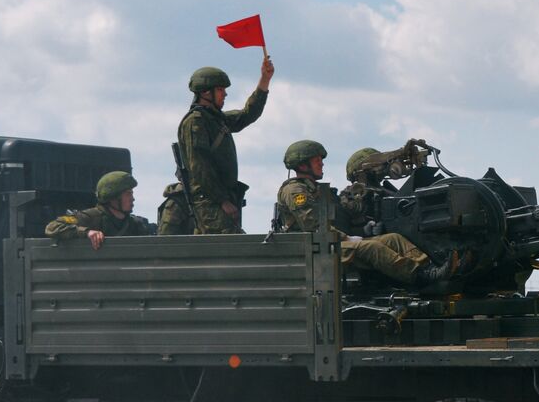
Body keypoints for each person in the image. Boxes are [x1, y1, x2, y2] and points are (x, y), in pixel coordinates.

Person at [275, 140, 461, 287]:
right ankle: (420, 276)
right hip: (313, 250)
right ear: (302, 164)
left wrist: (357, 232)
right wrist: (348, 238)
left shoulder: (316, 189)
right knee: (372, 248)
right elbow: (314, 226)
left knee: (393, 239)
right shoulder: (295, 191)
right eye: (317, 160)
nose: (322, 164)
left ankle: (433, 269)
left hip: (330, 243)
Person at [178, 57, 273, 234]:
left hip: (220, 200)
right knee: (230, 252)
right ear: (206, 93)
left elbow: (246, 115)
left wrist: (264, 80)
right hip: (209, 203)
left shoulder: (214, 119)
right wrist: (222, 201)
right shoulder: (196, 122)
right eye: (220, 90)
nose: (225, 94)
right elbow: (200, 167)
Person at [46, 171, 154, 248]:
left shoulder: (135, 224)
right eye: (128, 194)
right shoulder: (88, 217)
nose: (132, 198)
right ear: (113, 197)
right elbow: (53, 226)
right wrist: (86, 232)